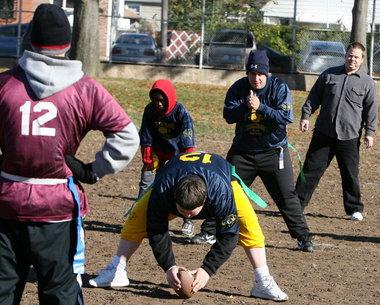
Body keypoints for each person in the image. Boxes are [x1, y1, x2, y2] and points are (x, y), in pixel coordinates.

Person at [0, 4, 139, 305]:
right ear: (66, 43)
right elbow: (128, 136)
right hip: (57, 207)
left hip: (7, 204)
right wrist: (94, 169)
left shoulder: (5, 84)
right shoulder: (86, 90)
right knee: (60, 291)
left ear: (30, 40)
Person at [88, 152, 288, 302]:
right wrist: (169, 267)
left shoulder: (220, 193)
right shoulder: (163, 189)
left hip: (220, 176)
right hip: (175, 175)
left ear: (206, 202)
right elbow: (157, 230)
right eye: (182, 211)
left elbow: (229, 236)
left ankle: (262, 281)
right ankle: (117, 269)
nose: (187, 216)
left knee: (250, 226)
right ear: (174, 199)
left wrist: (207, 270)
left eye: (192, 213)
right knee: (136, 219)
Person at [193, 50, 314, 252]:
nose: (256, 79)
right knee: (225, 190)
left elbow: (285, 118)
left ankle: (303, 237)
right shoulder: (238, 88)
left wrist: (260, 107)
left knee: (287, 197)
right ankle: (210, 231)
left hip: (274, 153)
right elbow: (228, 116)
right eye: (252, 74)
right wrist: (245, 107)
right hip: (243, 153)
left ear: (267, 74)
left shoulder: (279, 88)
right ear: (247, 74)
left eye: (260, 75)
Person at [295, 41, 377, 221]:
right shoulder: (329, 74)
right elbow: (314, 97)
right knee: (310, 170)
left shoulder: (367, 83)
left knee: (350, 174)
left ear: (362, 60)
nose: (352, 59)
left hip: (349, 136)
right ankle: (296, 205)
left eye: (356, 57)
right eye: (350, 55)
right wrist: (306, 116)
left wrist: (369, 133)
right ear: (345, 55)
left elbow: (370, 110)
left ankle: (354, 209)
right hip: (323, 133)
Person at [138, 79, 196, 237]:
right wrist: (148, 157)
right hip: (157, 152)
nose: (158, 104)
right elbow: (146, 134)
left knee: (183, 185)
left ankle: (188, 221)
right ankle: (140, 218)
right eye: (155, 100)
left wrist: (187, 159)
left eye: (162, 100)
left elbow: (188, 137)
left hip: (177, 154)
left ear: (169, 98)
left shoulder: (180, 112)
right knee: (146, 181)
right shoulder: (150, 110)